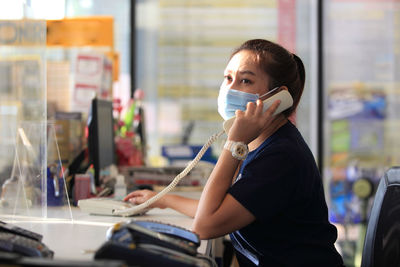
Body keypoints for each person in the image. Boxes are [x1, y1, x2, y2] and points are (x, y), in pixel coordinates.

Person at [124, 39, 344, 267]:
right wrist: (162, 199)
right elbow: (220, 207)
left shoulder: (280, 157)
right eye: (228, 78)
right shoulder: (262, 143)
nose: (230, 89)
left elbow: (205, 225)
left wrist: (234, 142)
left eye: (245, 80)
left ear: (277, 98)